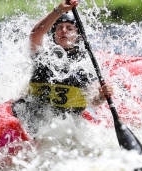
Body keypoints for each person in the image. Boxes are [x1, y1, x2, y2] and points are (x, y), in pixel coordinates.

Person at [13, 0, 113, 133]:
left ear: (78, 36)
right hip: (32, 117)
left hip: (65, 125)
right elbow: (35, 34)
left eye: (69, 28)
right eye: (59, 28)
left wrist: (102, 96)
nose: (63, 31)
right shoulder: (43, 58)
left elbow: (93, 102)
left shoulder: (84, 65)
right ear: (54, 35)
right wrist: (58, 10)